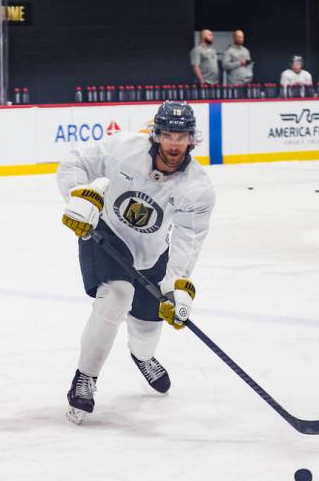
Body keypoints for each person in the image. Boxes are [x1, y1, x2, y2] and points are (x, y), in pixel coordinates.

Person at [56, 100, 216, 425]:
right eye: (168, 135)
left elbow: (187, 241)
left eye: (181, 136)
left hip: (151, 251)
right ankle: (85, 378)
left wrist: (177, 288)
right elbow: (74, 163)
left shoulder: (198, 189)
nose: (174, 143)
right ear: (156, 134)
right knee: (116, 296)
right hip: (107, 232)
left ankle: (143, 356)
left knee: (147, 324)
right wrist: (79, 196)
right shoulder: (123, 148)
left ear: (192, 140)